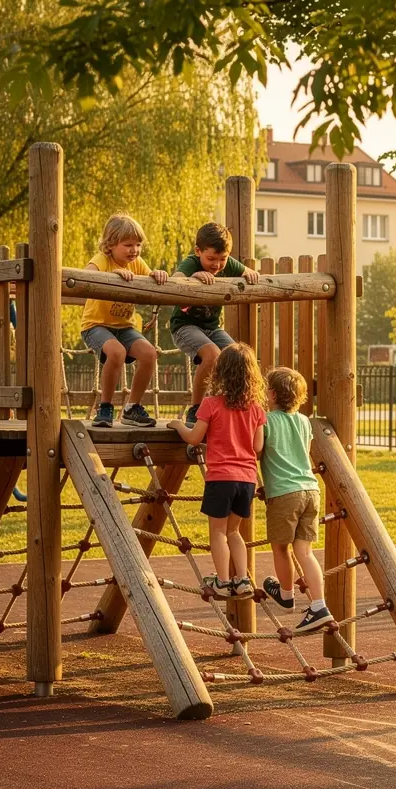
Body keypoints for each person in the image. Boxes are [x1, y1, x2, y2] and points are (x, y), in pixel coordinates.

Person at [167, 344, 267, 598]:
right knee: (234, 532)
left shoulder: (211, 404)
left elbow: (194, 437)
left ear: (220, 373)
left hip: (221, 478)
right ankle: (242, 579)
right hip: (247, 480)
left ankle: (222, 581)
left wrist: (178, 425)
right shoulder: (256, 408)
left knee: (218, 532)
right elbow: (257, 446)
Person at [258, 367, 335, 634]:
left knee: (280, 548)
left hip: (284, 492)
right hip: (310, 490)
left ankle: (286, 594)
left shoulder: (266, 420)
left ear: (270, 394)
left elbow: (257, 450)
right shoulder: (303, 421)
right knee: (305, 551)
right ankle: (318, 605)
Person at [81, 214, 169, 428]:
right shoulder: (102, 260)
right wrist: (113, 275)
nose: (134, 250)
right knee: (117, 352)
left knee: (149, 353)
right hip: (96, 326)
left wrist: (156, 274)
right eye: (128, 245)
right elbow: (86, 276)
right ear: (110, 244)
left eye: (138, 245)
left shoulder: (136, 263)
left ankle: (132, 408)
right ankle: (105, 407)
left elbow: (149, 278)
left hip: (125, 327)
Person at [169, 222, 260, 426]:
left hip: (211, 327)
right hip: (184, 326)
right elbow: (175, 280)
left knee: (239, 355)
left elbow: (247, 271)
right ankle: (195, 408)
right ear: (198, 251)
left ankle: (235, 403)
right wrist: (193, 277)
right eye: (211, 259)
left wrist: (249, 273)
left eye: (222, 259)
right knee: (212, 355)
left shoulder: (227, 264)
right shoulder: (192, 262)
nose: (217, 265)